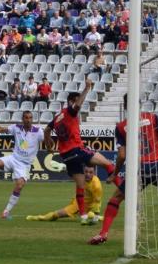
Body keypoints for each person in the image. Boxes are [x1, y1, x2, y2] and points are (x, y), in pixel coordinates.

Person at [88, 95, 158, 247]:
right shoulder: (153, 118)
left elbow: (122, 155)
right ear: (139, 104)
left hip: (139, 169)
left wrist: (114, 174)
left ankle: (103, 233)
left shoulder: (121, 126)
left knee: (115, 199)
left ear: (125, 106)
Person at [44, 83, 123, 225]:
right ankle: (124, 190)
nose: (76, 103)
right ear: (71, 101)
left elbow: (46, 130)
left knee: (80, 187)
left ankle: (83, 216)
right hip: (76, 149)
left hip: (66, 155)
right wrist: (87, 88)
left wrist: (49, 144)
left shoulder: (57, 117)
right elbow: (78, 105)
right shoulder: (70, 111)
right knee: (107, 164)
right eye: (75, 100)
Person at [26, 166, 103, 224]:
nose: (87, 174)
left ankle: (38, 217)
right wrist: (63, 168)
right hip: (77, 201)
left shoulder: (96, 185)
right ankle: (99, 217)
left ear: (94, 173)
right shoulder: (81, 177)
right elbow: (73, 173)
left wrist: (95, 217)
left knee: (56, 215)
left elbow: (97, 202)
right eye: (86, 171)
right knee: (84, 213)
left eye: (90, 172)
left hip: (83, 206)